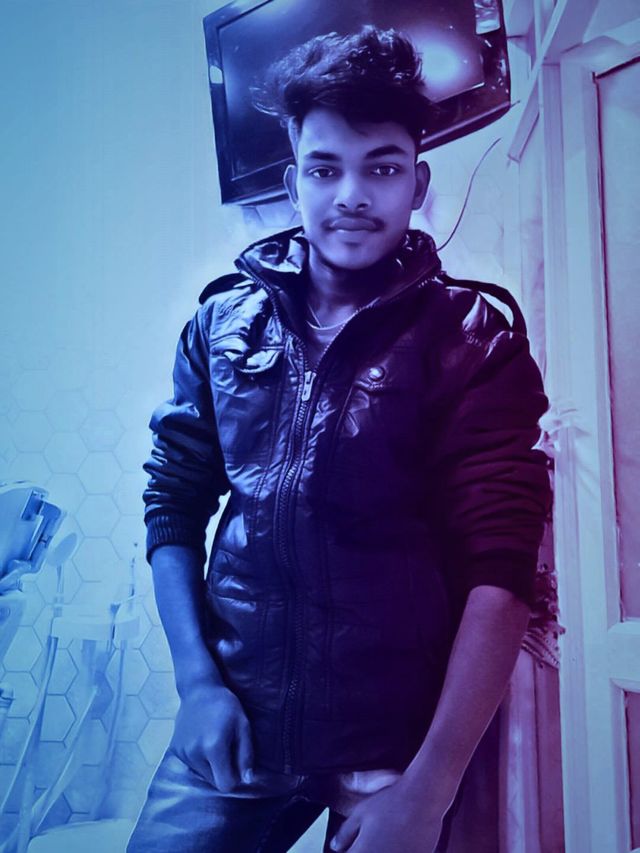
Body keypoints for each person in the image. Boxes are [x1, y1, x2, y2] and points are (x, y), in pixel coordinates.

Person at [127, 26, 551, 853]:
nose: (351, 194)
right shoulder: (219, 324)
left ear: (417, 181)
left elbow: (501, 569)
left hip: (399, 741)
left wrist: (430, 786)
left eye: (381, 167)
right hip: (236, 721)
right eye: (325, 169)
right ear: (294, 181)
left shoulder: (475, 338)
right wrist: (198, 685)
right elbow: (172, 501)